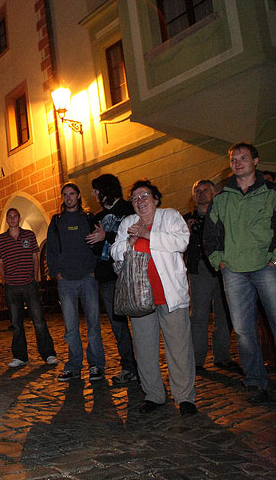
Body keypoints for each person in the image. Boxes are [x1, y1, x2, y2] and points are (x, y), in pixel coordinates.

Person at [111, 180, 197, 416]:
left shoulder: (170, 216)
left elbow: (181, 241)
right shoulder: (128, 223)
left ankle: (185, 397)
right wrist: (130, 240)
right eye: (135, 198)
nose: (140, 201)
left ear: (156, 198)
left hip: (169, 294)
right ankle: (154, 395)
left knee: (179, 347)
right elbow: (115, 252)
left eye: (145, 196)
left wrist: (147, 234)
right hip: (139, 299)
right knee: (144, 348)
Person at [204, 142, 276, 404]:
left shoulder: (271, 192)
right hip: (233, 271)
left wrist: (275, 258)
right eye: (234, 159)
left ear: (256, 161)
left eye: (244, 158)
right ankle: (256, 382)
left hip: (266, 267)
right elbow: (210, 233)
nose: (238, 162)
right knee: (245, 331)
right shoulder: (222, 197)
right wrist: (218, 261)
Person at [47, 183, 106, 382]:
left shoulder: (88, 219)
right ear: (62, 197)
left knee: (93, 324)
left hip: (87, 279)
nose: (68, 197)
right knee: (70, 327)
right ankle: (74, 365)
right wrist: (56, 273)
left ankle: (96, 365)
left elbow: (98, 245)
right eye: (65, 195)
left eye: (72, 194)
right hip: (66, 282)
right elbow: (51, 250)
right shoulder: (56, 221)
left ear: (79, 196)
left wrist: (92, 270)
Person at [86, 174, 138, 384]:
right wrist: (99, 239)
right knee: (118, 326)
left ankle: (145, 369)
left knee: (139, 322)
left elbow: (133, 235)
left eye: (96, 190)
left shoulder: (128, 209)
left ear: (105, 189)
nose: (94, 194)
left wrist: (106, 236)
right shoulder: (97, 217)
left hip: (129, 274)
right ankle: (129, 368)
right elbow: (96, 247)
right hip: (107, 277)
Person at [0, 208, 58, 368]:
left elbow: (35, 257)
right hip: (11, 286)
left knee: (39, 320)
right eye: (10, 217)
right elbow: (0, 262)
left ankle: (48, 354)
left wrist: (35, 278)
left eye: (15, 216)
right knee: (16, 323)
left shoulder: (29, 235)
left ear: (19, 218)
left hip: (29, 284)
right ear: (7, 220)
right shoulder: (1, 239)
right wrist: (4, 280)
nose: (12, 219)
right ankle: (20, 356)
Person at [183, 180, 236, 372]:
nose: (201, 194)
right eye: (197, 191)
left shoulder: (224, 214)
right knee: (198, 316)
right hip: (199, 270)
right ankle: (197, 360)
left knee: (224, 315)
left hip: (223, 267)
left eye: (205, 190)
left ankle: (223, 356)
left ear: (215, 193)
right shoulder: (186, 219)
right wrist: (186, 233)